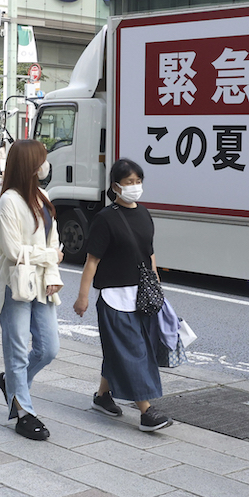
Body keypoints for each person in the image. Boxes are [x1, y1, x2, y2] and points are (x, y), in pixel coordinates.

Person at [73, 158, 173, 432]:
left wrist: (157, 285)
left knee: (122, 350)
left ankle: (103, 396)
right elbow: (91, 261)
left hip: (141, 296)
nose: (135, 187)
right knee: (134, 352)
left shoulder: (143, 213)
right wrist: (82, 297)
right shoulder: (106, 219)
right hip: (114, 299)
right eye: (129, 183)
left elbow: (149, 254)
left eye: (138, 182)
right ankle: (146, 411)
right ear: (116, 186)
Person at [0, 140, 63, 440]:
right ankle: (24, 411)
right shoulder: (8, 200)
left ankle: (12, 383)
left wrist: (53, 272)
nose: (45, 165)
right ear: (30, 164)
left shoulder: (43, 197)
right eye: (42, 160)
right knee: (17, 350)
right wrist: (50, 258)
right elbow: (12, 250)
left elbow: (53, 242)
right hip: (15, 284)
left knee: (48, 349)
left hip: (43, 285)